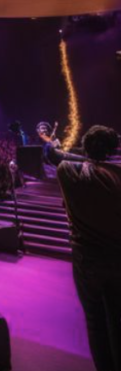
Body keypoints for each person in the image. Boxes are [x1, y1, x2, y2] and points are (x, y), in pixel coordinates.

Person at [56, 125, 121, 371]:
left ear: (85, 147)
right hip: (117, 256)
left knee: (95, 321)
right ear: (113, 150)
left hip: (86, 259)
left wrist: (54, 144)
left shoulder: (67, 171)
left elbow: (55, 156)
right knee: (117, 320)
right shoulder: (117, 176)